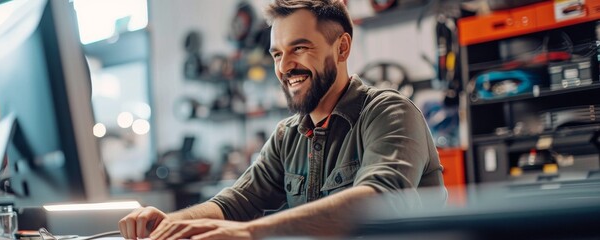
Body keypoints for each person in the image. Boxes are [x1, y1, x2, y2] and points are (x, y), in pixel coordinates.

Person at [119, 0, 446, 239]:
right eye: (277, 53)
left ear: (342, 47)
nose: (284, 66)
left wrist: (250, 232)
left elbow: (379, 199)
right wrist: (168, 224)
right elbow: (238, 201)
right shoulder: (288, 135)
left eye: (299, 48)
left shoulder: (389, 112)